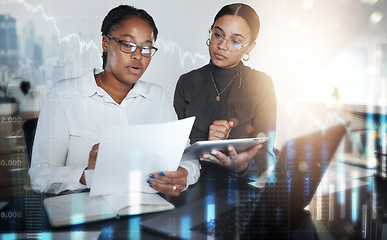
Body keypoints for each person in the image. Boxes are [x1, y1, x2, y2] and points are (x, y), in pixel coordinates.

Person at [29, 5, 200, 196]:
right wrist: (87, 175)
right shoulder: (64, 94)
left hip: (148, 209)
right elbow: (39, 176)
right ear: (105, 43)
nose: (138, 55)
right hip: (85, 215)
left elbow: (187, 156)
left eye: (146, 48)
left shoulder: (156, 96)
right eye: (128, 44)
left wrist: (184, 173)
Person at [174, 3, 276, 178]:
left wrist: (242, 166)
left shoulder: (262, 84)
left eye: (235, 41)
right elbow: (173, 148)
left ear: (250, 47)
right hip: (190, 183)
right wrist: (207, 144)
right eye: (218, 35)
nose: (222, 45)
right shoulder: (186, 82)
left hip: (240, 189)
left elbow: (267, 154)